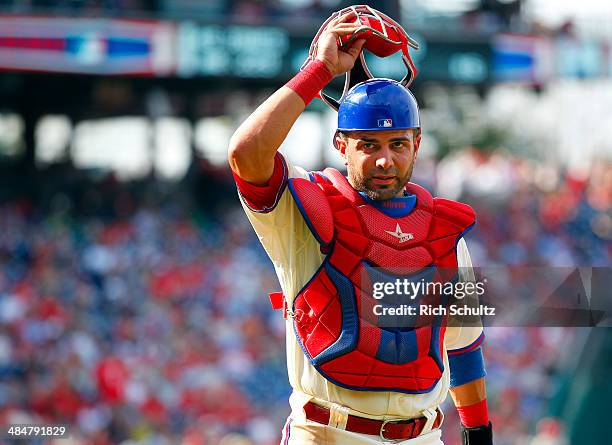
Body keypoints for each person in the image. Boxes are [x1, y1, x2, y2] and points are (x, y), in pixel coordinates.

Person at [228, 9, 493, 445]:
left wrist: (479, 434)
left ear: (417, 144)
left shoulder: (444, 231)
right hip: (328, 432)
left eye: (397, 144)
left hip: (423, 435)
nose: (385, 159)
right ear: (341, 145)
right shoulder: (305, 209)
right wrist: (320, 71)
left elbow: (464, 348)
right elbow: (247, 151)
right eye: (368, 145)